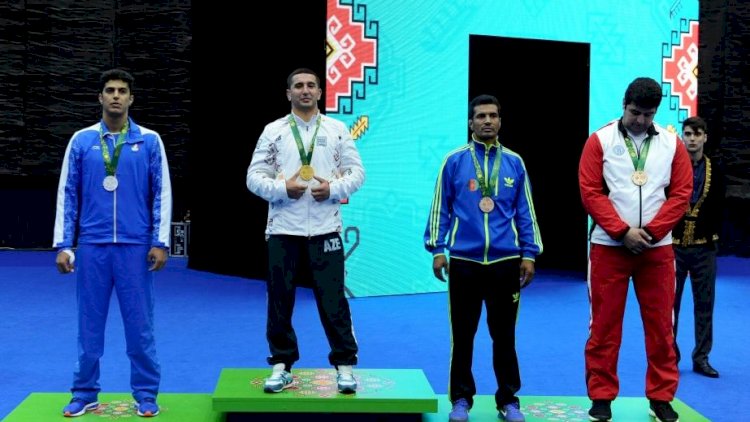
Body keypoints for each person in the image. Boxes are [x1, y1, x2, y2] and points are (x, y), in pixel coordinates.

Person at [53, 68, 172, 418]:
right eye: (110, 90)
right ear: (100, 97)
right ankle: (84, 392)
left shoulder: (149, 140)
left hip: (136, 248)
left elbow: (161, 192)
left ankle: (146, 393)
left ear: (131, 98)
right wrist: (64, 244)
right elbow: (67, 193)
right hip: (93, 247)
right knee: (89, 326)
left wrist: (160, 241)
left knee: (140, 327)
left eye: (122, 91)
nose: (116, 96)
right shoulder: (81, 141)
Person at [578, 77, 692, 422]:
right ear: (623, 105)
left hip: (657, 251)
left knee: (661, 327)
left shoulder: (672, 144)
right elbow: (590, 191)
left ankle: (661, 397)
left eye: (648, 114)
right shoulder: (600, 140)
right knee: (604, 327)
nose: (640, 120)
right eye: (634, 112)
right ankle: (601, 397)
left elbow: (681, 193)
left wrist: (653, 233)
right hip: (608, 248)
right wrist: (621, 231)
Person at [424, 94, 543, 422]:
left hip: (505, 263)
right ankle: (461, 399)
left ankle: (508, 399)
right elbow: (440, 207)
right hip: (465, 262)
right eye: (480, 116)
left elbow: (525, 211)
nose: (487, 120)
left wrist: (529, 253)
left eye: (492, 115)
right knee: (463, 336)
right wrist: (438, 248)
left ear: (500, 121)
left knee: (504, 336)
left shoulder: (515, 162)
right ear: (470, 123)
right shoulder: (454, 161)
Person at [246, 68, 365, 395]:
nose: (305, 90)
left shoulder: (337, 129)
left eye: (311, 85)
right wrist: (282, 189)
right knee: (279, 299)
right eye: (298, 85)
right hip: (283, 230)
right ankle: (281, 365)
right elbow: (253, 177)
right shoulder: (274, 131)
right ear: (288, 93)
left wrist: (334, 189)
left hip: (326, 230)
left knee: (333, 300)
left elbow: (357, 173)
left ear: (320, 92)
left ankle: (344, 365)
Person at [672, 116, 724, 378]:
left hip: (704, 247)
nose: (692, 139)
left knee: (705, 304)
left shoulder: (717, 170)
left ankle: (701, 357)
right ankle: (670, 356)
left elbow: (721, 207)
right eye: (688, 133)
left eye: (697, 134)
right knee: (669, 306)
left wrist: (714, 239)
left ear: (705, 137)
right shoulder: (670, 167)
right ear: (682, 136)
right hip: (673, 247)